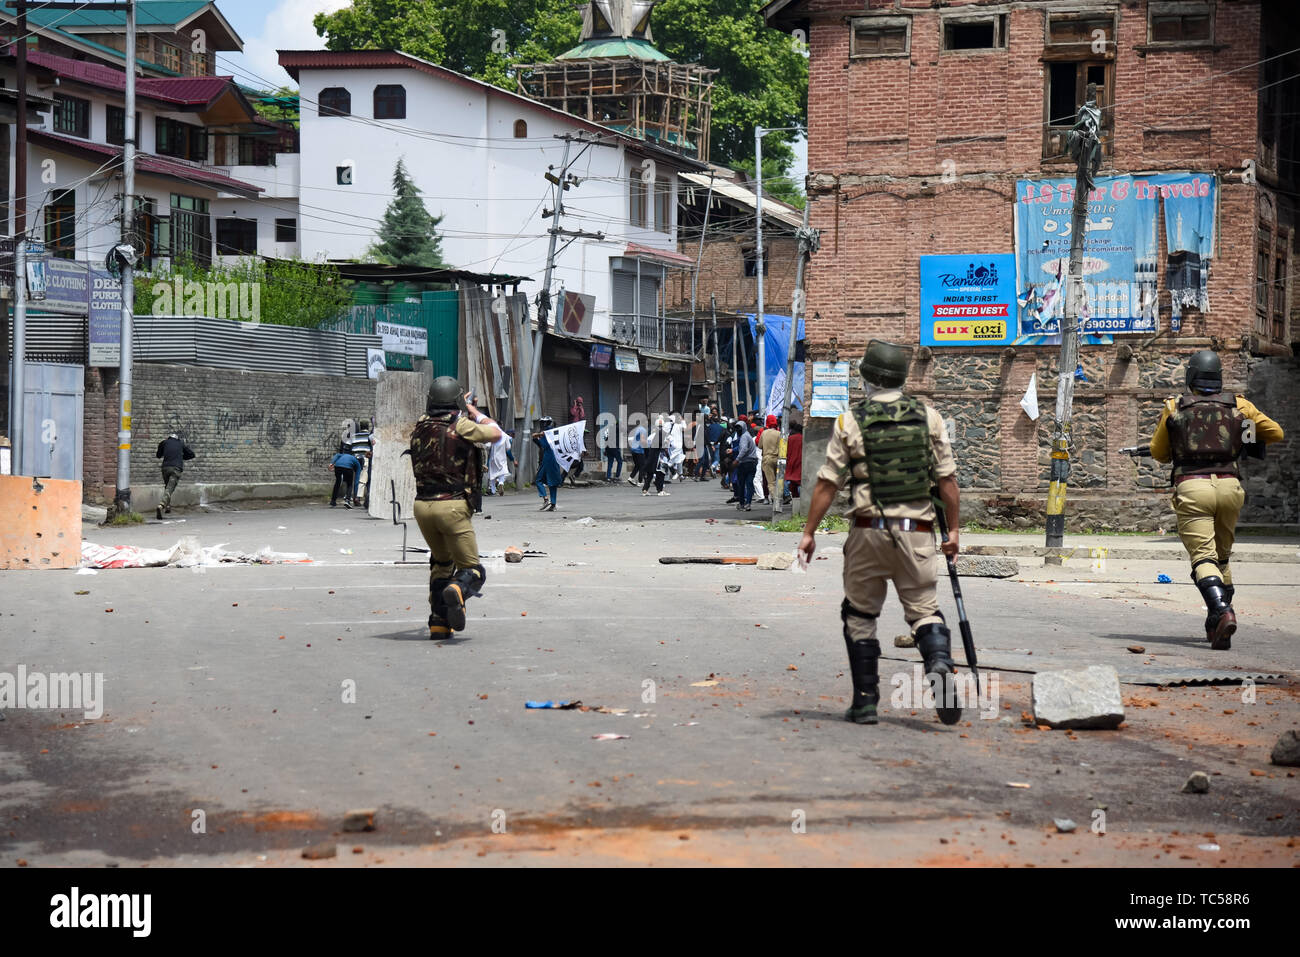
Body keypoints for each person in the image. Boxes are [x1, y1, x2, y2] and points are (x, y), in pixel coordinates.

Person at [798, 339, 963, 727]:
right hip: (918, 532)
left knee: (859, 614)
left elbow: (827, 483)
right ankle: (938, 660)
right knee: (924, 611)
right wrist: (953, 530)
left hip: (868, 532)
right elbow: (948, 481)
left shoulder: (849, 421)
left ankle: (866, 701)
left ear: (867, 378)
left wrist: (808, 532)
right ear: (903, 378)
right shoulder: (930, 418)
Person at [1147, 350, 1284, 650]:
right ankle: (1216, 623)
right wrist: (1244, 438)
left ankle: (1222, 611)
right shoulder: (1240, 405)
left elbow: (1158, 453)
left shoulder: (1175, 406)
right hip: (1231, 488)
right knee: (1221, 558)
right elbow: (1275, 432)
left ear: (1191, 377)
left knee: (1204, 559)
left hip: (1193, 488)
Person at [409, 377, 502, 637]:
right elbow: (495, 433)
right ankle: (458, 590)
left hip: (422, 506)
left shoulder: (420, 424)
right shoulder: (461, 425)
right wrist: (475, 413)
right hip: (451, 506)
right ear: (458, 401)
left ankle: (439, 622)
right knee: (472, 570)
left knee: (441, 563)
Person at [155, 430, 195, 519]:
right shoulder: (180, 443)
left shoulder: (164, 443)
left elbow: (158, 455)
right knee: (170, 488)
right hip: (176, 469)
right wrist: (181, 456)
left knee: (167, 487)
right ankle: (161, 505)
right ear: (177, 438)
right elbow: (192, 454)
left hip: (165, 468)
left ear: (169, 438)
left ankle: (168, 506)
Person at [533, 416, 564, 512]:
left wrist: (537, 435)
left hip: (548, 458)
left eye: (544, 422)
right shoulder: (550, 434)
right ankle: (553, 504)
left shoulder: (549, 431)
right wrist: (536, 437)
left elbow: (543, 434)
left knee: (538, 480)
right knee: (552, 483)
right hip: (553, 459)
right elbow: (540, 443)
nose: (543, 424)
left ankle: (546, 499)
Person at [731, 420, 759, 511]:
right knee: (749, 484)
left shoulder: (744, 437)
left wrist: (737, 460)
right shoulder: (748, 436)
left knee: (742, 484)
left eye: (739, 428)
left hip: (745, 463)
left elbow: (743, 449)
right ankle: (748, 503)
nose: (738, 430)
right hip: (752, 462)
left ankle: (742, 503)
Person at [347, 418, 375, 507]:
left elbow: (350, 447)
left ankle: (359, 497)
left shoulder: (354, 436)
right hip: (365, 459)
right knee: (363, 479)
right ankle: (357, 497)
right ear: (367, 427)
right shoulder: (369, 436)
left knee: (358, 478)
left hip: (354, 459)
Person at [641, 416, 669, 496]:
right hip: (660, 457)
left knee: (650, 474)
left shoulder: (652, 435)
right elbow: (666, 446)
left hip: (652, 456)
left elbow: (647, 444)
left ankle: (645, 490)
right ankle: (660, 491)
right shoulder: (664, 435)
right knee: (661, 473)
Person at [759, 413, 782, 504]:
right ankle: (780, 496)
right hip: (778, 459)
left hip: (767, 459)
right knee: (779, 480)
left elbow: (760, 445)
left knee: (771, 482)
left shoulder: (764, 433)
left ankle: (775, 499)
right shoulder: (779, 433)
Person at [487, 428, 513, 496]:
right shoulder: (505, 436)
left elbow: (488, 446)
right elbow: (508, 447)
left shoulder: (492, 435)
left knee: (492, 473)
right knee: (503, 471)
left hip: (493, 457)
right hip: (502, 456)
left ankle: (493, 489)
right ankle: (501, 482)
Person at [784, 419, 804, 502]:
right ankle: (800, 501)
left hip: (790, 462)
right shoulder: (803, 438)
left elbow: (785, 451)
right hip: (801, 462)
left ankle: (795, 500)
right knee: (799, 481)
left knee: (792, 482)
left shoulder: (790, 438)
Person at [627, 421, 648, 485]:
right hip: (639, 450)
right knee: (642, 465)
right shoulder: (643, 430)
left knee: (637, 465)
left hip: (633, 449)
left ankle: (631, 477)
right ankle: (640, 481)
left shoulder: (637, 429)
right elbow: (642, 440)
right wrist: (649, 443)